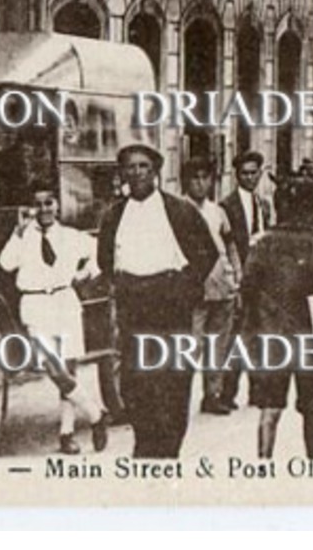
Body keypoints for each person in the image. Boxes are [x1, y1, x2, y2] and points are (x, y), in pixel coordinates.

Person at [97, 142, 218, 458]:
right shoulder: (114, 214)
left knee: (172, 383)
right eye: (130, 167)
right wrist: (121, 286)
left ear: (156, 172)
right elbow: (105, 258)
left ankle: (168, 453)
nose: (136, 173)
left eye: (143, 167)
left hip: (169, 307)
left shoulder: (178, 210)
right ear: (122, 173)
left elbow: (207, 253)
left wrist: (185, 289)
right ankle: (144, 447)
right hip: (133, 308)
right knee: (136, 385)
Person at [239, 176, 313, 460]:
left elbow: (246, 292)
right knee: (311, 408)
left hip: (271, 337)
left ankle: (263, 465)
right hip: (308, 341)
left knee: (270, 409)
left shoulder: (261, 245)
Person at [0, 188, 110, 454]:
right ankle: (96, 414)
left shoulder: (70, 236)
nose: (44, 209)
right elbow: (5, 264)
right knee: (52, 366)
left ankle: (66, 434)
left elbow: (101, 253)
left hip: (65, 302)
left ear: (57, 205)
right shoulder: (23, 237)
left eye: (48, 203)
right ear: (31, 209)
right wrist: (17, 233)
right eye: (37, 205)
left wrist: (86, 273)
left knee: (68, 369)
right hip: (35, 304)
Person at [183, 159, 241, 415]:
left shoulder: (217, 211)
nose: (200, 183)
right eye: (194, 178)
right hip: (192, 288)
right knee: (190, 344)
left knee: (218, 343)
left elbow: (230, 245)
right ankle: (180, 396)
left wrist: (236, 275)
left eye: (205, 177)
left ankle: (212, 394)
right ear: (186, 181)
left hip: (221, 284)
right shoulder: (178, 209)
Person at [220, 149, 274, 406]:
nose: (250, 178)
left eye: (254, 173)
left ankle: (257, 391)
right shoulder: (227, 206)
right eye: (245, 174)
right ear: (236, 175)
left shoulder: (263, 203)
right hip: (241, 276)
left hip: (263, 277)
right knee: (236, 336)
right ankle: (227, 392)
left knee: (260, 334)